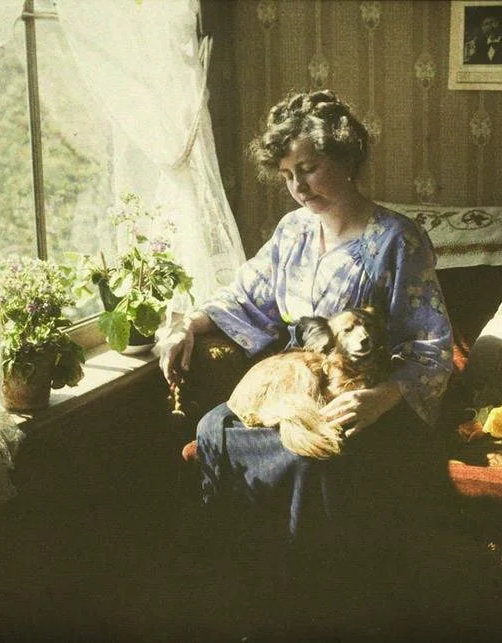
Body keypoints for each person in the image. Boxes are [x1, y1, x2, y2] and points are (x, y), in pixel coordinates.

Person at [157, 90, 453, 566]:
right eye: (288, 176)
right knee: (215, 424)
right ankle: (237, 580)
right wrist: (191, 324)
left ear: (346, 157)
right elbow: (246, 295)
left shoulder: (398, 240)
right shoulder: (292, 230)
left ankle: (307, 596)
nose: (298, 186)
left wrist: (381, 398)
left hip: (360, 392)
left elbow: (430, 344)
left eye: (309, 168)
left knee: (306, 459)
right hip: (294, 385)